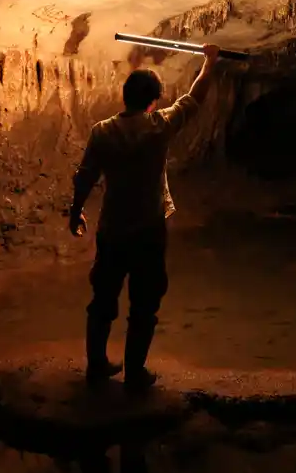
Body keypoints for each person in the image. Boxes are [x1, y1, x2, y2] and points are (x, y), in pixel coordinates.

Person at [69, 43, 222, 392]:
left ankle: (96, 365)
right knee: (145, 302)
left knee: (103, 299)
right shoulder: (160, 125)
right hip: (148, 231)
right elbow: (195, 97)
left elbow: (86, 175)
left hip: (112, 229)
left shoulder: (102, 131)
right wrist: (210, 62)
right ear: (154, 100)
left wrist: (76, 211)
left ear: (125, 97)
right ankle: (134, 372)